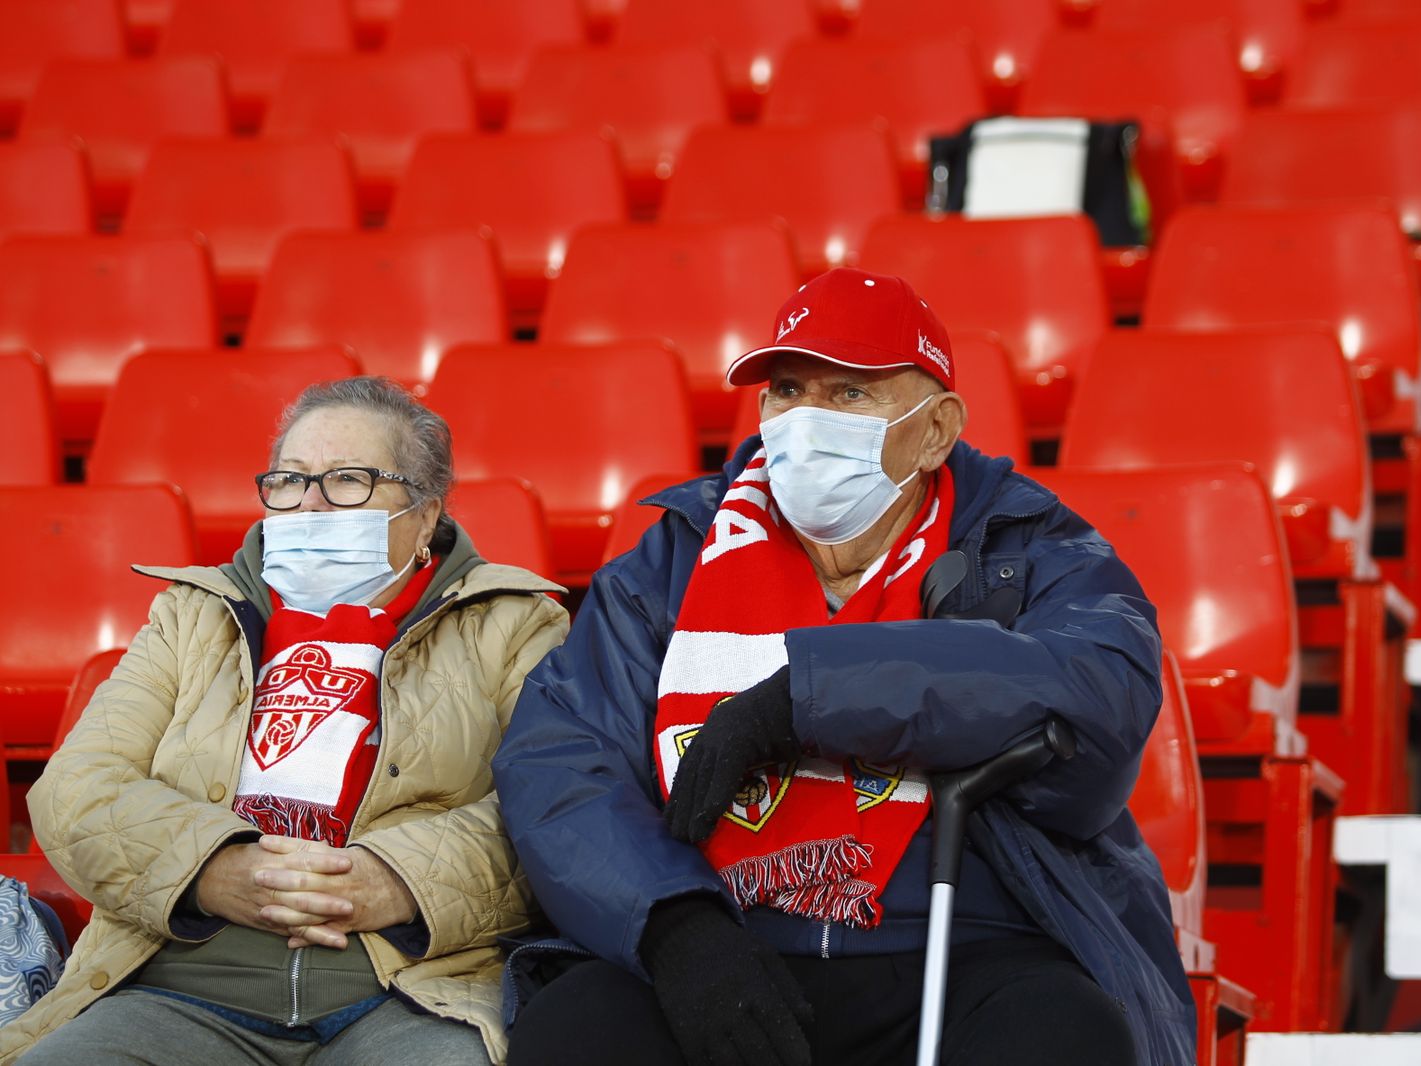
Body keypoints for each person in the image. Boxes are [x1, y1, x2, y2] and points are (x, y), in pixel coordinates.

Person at [493, 269, 1195, 1066]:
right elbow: (561, 755)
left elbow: (1096, 691)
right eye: (787, 389)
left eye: (851, 393)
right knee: (575, 1034)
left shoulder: (1031, 545)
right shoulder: (676, 556)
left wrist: (807, 697)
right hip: (726, 939)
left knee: (1064, 1037)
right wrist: (672, 928)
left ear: (937, 431)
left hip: (966, 942)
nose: (805, 421)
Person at [3, 377, 569, 1066]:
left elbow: (557, 811)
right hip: (180, 985)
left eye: (349, 480)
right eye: (290, 479)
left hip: (412, 990)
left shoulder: (515, 623)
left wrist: (396, 879)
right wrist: (214, 869)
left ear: (425, 515)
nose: (310, 502)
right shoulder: (194, 613)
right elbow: (75, 790)